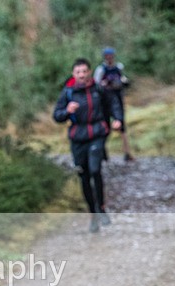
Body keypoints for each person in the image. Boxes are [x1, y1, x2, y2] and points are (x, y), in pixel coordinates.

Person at [54, 58, 123, 233]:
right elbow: (57, 115)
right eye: (78, 72)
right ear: (73, 74)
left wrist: (117, 119)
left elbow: (113, 103)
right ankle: (93, 214)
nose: (82, 75)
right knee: (83, 176)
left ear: (89, 72)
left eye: (84, 71)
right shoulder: (68, 93)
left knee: (95, 170)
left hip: (97, 133)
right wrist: (67, 111)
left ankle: (101, 208)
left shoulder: (99, 89)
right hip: (78, 137)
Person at [94, 47, 134, 162]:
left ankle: (127, 152)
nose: (110, 58)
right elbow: (96, 86)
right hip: (105, 102)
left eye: (111, 56)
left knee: (122, 125)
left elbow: (124, 79)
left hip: (118, 99)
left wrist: (123, 83)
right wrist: (104, 85)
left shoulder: (118, 68)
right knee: (105, 126)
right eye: (107, 56)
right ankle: (102, 151)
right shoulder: (101, 70)